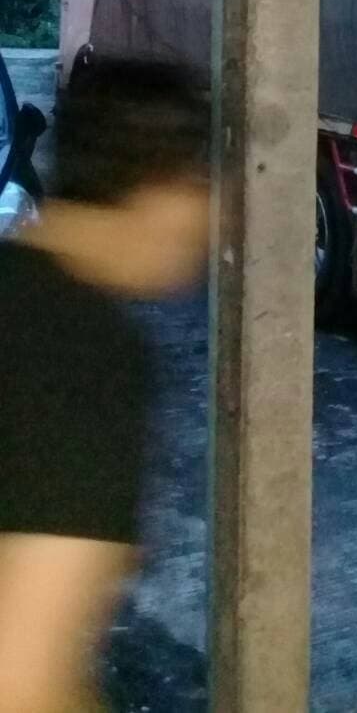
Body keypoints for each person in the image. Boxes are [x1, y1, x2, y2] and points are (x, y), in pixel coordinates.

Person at [0, 59, 209, 713]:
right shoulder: (85, 352)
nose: (213, 215)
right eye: (200, 182)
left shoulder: (19, 288)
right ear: (157, 188)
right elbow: (22, 681)